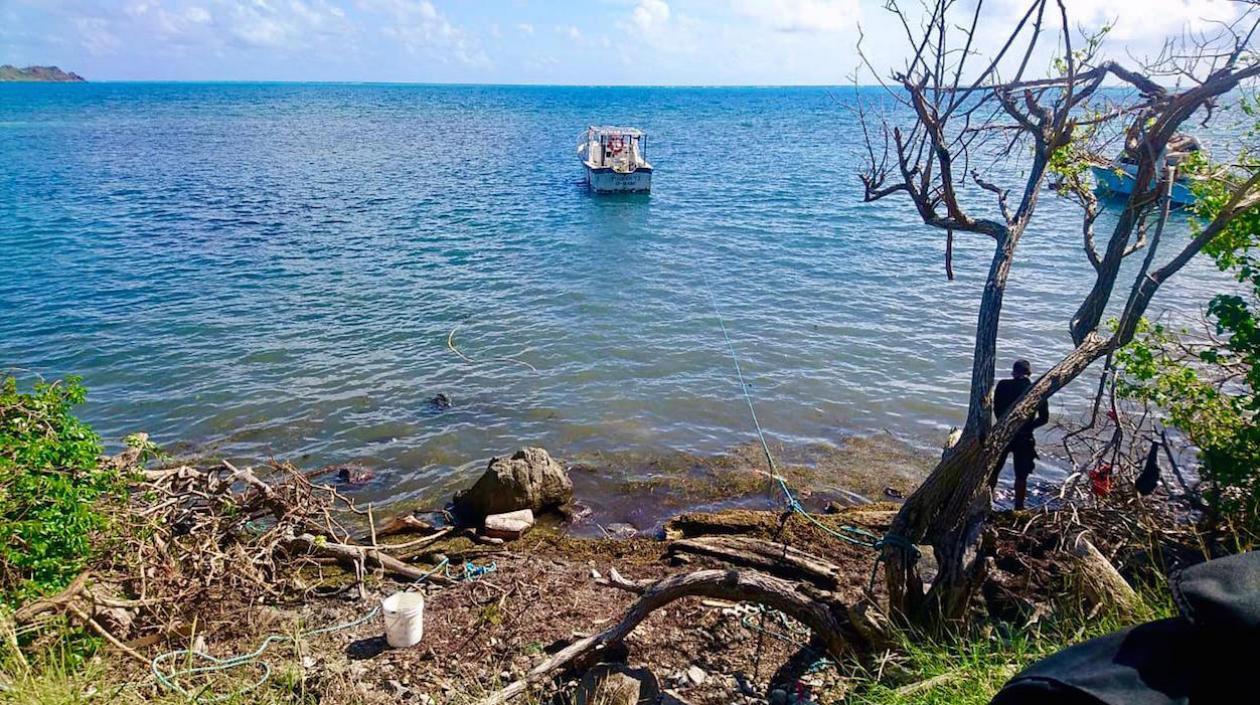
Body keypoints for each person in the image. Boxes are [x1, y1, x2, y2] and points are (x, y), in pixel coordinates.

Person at [989, 359, 1049, 510]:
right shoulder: (1036, 390)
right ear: (1029, 373)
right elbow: (1044, 418)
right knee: (1021, 476)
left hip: (1003, 435)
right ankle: (1019, 507)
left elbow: (996, 409)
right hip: (1024, 437)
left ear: (1013, 372)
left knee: (993, 471)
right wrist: (1028, 426)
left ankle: (987, 502)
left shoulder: (1003, 385)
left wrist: (1005, 425)